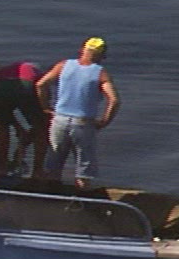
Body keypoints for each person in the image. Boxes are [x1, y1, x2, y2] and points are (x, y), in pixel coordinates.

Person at [34, 37, 120, 189]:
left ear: (82, 50)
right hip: (83, 123)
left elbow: (41, 84)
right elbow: (114, 100)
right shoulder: (100, 73)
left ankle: (50, 196)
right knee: (84, 167)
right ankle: (81, 197)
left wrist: (45, 107)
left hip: (59, 120)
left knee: (53, 163)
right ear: (101, 55)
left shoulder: (63, 65)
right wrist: (105, 121)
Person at [0, 61, 48, 175]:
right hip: (27, 83)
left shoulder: (6, 68)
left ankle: (1, 168)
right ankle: (37, 171)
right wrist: (45, 110)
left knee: (2, 127)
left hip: (2, 84)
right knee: (41, 129)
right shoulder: (41, 74)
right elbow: (43, 96)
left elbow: (8, 115)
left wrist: (19, 128)